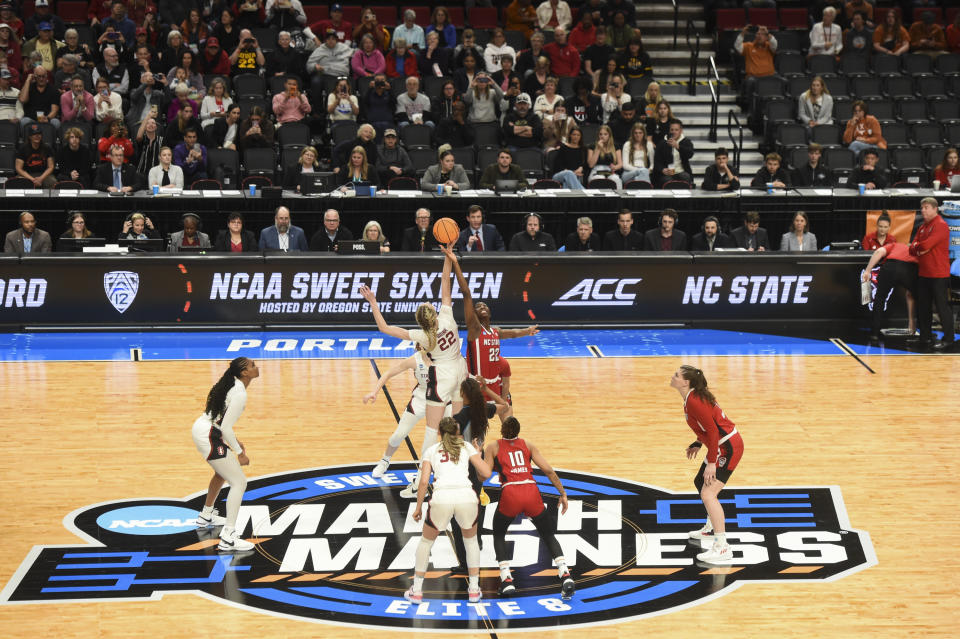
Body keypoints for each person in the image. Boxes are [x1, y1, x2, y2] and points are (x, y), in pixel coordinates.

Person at [359, 247, 468, 497]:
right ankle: (453, 471)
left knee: (434, 433)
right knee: (455, 427)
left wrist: (374, 304)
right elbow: (445, 283)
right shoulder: (448, 319)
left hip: (441, 383)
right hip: (457, 373)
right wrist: (448, 258)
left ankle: (423, 479)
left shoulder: (422, 336)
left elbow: (385, 328)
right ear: (434, 313)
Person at [483, 416, 574, 596]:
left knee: (499, 533)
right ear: (518, 431)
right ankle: (565, 573)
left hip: (510, 493)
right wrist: (562, 493)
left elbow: (484, 474)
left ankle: (507, 579)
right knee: (548, 534)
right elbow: (548, 470)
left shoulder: (493, 447)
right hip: (531, 490)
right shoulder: (528, 445)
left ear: (502, 430)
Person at [406, 416, 491, 604]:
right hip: (466, 496)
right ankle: (475, 590)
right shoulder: (467, 447)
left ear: (439, 432)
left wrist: (419, 507)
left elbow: (423, 482)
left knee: (426, 542)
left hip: (442, 497)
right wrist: (477, 453)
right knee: (470, 542)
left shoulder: (431, 450)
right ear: (457, 432)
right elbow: (485, 473)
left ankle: (417, 591)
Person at [670, 365, 745, 564]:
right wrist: (697, 442)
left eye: (676, 375)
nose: (673, 376)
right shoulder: (691, 398)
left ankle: (722, 548)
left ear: (686, 382)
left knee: (708, 493)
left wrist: (712, 462)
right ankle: (712, 528)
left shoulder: (694, 401)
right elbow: (706, 427)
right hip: (720, 444)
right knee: (699, 481)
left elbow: (713, 431)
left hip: (728, 447)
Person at [190, 357, 260, 552]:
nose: (257, 367)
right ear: (245, 373)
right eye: (252, 365)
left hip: (206, 429)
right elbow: (226, 426)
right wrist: (239, 453)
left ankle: (206, 515)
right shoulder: (239, 393)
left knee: (222, 472)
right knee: (239, 482)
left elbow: (221, 421)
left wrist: (234, 442)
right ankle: (228, 537)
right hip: (210, 435)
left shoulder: (232, 384)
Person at [364, 346, 452, 479]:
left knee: (450, 436)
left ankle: (449, 467)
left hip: (442, 399)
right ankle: (384, 461)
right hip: (421, 399)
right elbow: (388, 373)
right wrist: (374, 392)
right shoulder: (415, 360)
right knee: (398, 435)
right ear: (419, 345)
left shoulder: (446, 358)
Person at [909, 197, 954, 351]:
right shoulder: (922, 227)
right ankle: (925, 337)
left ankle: (949, 339)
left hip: (938, 274)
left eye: (926, 207)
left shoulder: (940, 226)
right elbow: (912, 248)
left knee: (942, 308)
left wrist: (920, 246)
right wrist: (920, 247)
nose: (923, 210)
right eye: (922, 208)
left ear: (935, 209)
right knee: (923, 308)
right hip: (924, 273)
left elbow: (926, 245)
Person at [862, 241, 918, 345]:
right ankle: (916, 329)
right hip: (909, 269)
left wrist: (868, 270)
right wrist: (911, 321)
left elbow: (879, 252)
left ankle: (874, 333)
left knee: (879, 298)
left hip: (890, 267)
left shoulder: (895, 244)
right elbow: (910, 296)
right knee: (917, 297)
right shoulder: (916, 251)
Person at [734, 24, 777, 102]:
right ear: (755, 36)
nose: (760, 36)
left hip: (769, 76)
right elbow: (737, 46)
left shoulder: (769, 46)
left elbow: (774, 44)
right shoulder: (748, 46)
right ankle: (751, 109)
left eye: (762, 34)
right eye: (758, 34)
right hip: (753, 77)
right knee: (750, 81)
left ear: (766, 37)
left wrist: (767, 32)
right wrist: (742, 33)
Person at [653, 119, 694, 187]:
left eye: (676, 130)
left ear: (681, 131)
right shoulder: (662, 143)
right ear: (669, 131)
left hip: (681, 171)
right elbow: (657, 162)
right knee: (667, 180)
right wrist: (662, 169)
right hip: (667, 173)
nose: (674, 132)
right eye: (672, 130)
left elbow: (690, 154)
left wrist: (678, 147)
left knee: (685, 177)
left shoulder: (686, 141)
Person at [15, 123, 57, 188]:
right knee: (17, 181)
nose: (37, 136)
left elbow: (51, 167)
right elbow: (18, 168)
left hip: (43, 174)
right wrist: (32, 179)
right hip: (27, 174)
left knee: (52, 181)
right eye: (34, 134)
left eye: (39, 134)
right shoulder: (23, 148)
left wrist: (41, 178)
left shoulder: (47, 148)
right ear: (29, 136)